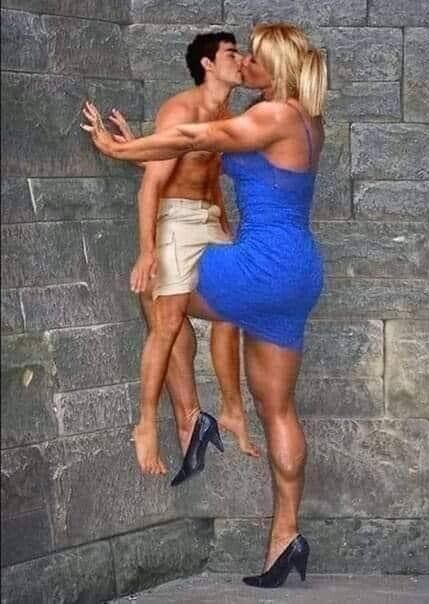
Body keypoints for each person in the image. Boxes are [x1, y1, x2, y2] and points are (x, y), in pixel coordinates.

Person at [82, 22, 327, 589]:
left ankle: (186, 416)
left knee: (158, 293)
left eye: (254, 58)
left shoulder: (273, 115)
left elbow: (194, 137)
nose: (246, 64)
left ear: (277, 66)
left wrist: (121, 149)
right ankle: (285, 538)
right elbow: (198, 143)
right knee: (279, 410)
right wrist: (147, 147)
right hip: (299, 272)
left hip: (263, 266)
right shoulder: (309, 119)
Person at [109, 32, 259, 481]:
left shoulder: (229, 114)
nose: (240, 60)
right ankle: (147, 425)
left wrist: (226, 227)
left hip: (212, 222)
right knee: (167, 322)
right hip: (176, 221)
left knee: (232, 307)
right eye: (232, 53)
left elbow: (190, 164)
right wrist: (146, 251)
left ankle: (225, 412)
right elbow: (154, 184)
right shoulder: (180, 108)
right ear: (208, 64)